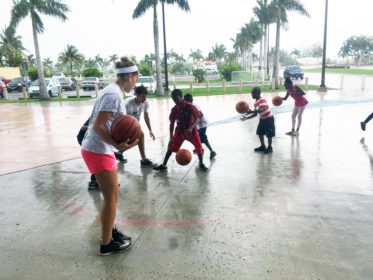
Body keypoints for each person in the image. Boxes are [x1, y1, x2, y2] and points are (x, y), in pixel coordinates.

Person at [81, 56, 139, 256]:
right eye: (136, 79)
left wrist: (117, 145)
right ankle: (106, 244)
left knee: (112, 195)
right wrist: (118, 145)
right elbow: (97, 125)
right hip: (98, 149)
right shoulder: (114, 94)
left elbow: (102, 124)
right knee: (111, 198)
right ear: (129, 76)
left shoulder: (111, 91)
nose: (136, 84)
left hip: (99, 148)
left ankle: (110, 231)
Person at [153, 89, 209, 172]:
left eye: (176, 98)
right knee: (170, 147)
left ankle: (201, 164)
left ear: (181, 97)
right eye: (173, 99)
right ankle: (164, 165)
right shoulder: (174, 110)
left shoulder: (190, 106)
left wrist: (190, 128)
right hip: (180, 132)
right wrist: (171, 138)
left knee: (199, 146)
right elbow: (171, 124)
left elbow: (197, 118)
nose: (175, 101)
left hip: (191, 132)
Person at [120, 85, 155, 167]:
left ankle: (119, 152)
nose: (145, 98)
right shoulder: (127, 104)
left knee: (138, 140)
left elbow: (146, 116)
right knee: (141, 136)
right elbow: (121, 119)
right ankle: (144, 160)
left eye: (146, 96)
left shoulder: (146, 102)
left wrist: (150, 130)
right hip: (125, 124)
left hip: (134, 124)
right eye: (143, 96)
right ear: (137, 95)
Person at [241, 87, 275, 154]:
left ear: (257, 93)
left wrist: (251, 112)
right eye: (251, 93)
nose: (252, 95)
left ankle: (270, 147)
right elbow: (255, 114)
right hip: (262, 119)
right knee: (260, 133)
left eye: (253, 93)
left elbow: (260, 110)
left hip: (269, 119)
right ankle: (263, 146)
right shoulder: (256, 102)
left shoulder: (262, 100)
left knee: (269, 134)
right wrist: (247, 118)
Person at [183, 93, 217, 160]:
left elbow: (200, 115)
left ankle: (212, 151)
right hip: (199, 124)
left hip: (202, 124)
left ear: (188, 100)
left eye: (185, 100)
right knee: (198, 137)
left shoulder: (194, 106)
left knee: (202, 137)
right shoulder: (190, 105)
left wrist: (194, 124)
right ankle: (199, 148)